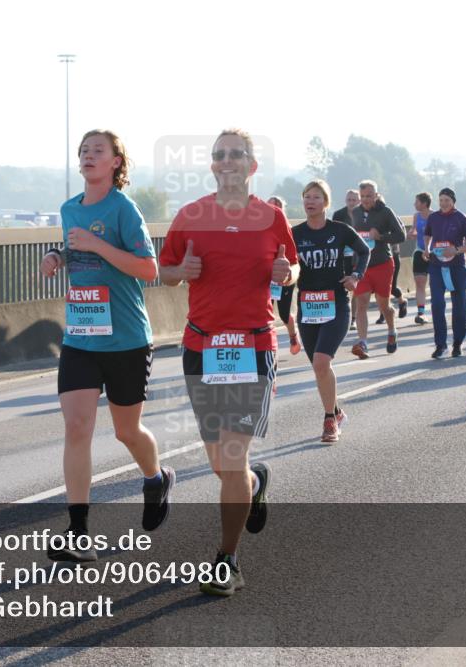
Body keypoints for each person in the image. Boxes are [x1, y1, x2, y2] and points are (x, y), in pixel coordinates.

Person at [159, 128, 299, 596]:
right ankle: (254, 484)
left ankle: (227, 560)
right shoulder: (191, 215)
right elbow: (166, 272)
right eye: (219, 154)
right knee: (223, 466)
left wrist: (288, 272)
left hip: (253, 347)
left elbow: (291, 265)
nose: (227, 160)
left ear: (252, 165)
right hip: (202, 347)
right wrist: (182, 272)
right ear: (212, 165)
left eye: (236, 154)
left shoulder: (272, 217)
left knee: (232, 457)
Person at [40, 130, 174, 562]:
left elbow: (148, 268)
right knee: (77, 428)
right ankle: (78, 533)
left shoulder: (123, 209)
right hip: (80, 337)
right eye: (83, 151)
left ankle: (155, 478)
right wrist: (57, 258)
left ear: (116, 162)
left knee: (125, 431)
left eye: (97, 151)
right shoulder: (68, 209)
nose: (87, 157)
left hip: (126, 339)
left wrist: (98, 243)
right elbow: (74, 249)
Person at [278, 180, 369, 443]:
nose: (310, 201)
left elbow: (364, 252)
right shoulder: (294, 234)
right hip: (307, 306)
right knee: (319, 368)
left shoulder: (340, 230)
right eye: (307, 196)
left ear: (326, 202)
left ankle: (330, 420)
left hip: (336, 304)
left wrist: (355, 276)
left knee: (321, 362)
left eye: (316, 197)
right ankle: (337, 411)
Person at [349, 181, 406, 358]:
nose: (366, 200)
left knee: (384, 305)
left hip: (383, 264)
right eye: (363, 196)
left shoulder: (385, 211)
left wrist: (380, 236)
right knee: (361, 304)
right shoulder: (356, 212)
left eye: (369, 196)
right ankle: (363, 342)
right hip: (362, 265)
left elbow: (401, 235)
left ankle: (392, 330)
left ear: (376, 195)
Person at [424, 188, 466, 359]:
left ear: (453, 201)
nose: (444, 204)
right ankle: (440, 345)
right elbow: (427, 234)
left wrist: (456, 250)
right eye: (441, 200)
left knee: (459, 306)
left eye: (447, 200)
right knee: (437, 304)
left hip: (456, 267)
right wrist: (426, 249)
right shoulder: (433, 217)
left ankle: (458, 343)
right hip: (436, 266)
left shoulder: (461, 218)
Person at [268, 196, 301, 356]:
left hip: (284, 277)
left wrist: (288, 274)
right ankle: (266, 345)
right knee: (264, 311)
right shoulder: (260, 228)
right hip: (267, 278)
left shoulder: (287, 228)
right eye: (271, 206)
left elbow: (295, 257)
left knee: (283, 312)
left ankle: (293, 336)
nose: (274, 209)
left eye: (278, 206)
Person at [332, 189, 361, 330]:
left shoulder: (363, 215)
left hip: (358, 256)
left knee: (355, 288)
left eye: (354, 200)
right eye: (349, 200)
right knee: (342, 286)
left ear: (359, 201)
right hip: (342, 257)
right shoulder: (338, 215)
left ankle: (353, 319)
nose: (351, 202)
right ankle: (340, 315)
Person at [408, 192, 433, 324]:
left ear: (424, 203)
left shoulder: (435, 216)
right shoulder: (416, 216)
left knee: (435, 284)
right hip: (419, 251)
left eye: (416, 202)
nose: (414, 204)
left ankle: (437, 309)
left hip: (434, 252)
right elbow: (414, 230)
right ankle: (421, 313)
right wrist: (412, 233)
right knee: (419, 283)